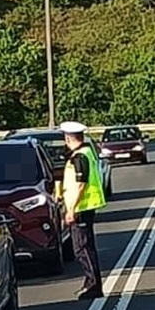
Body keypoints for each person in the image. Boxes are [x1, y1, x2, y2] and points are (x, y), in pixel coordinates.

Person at [60, 121, 107, 300]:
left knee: (82, 248)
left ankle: (93, 286)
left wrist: (71, 210)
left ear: (67, 138)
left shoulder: (79, 157)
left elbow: (81, 184)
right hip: (86, 207)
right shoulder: (87, 152)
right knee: (85, 247)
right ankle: (91, 283)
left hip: (81, 207)